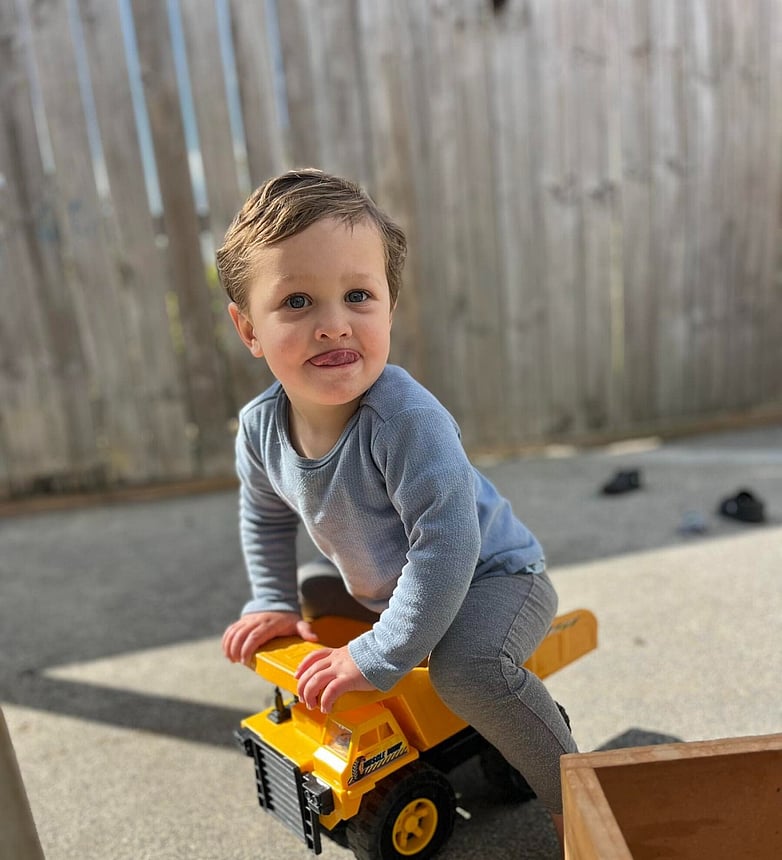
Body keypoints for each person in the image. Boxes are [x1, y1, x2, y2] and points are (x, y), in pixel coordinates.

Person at [217, 168, 576, 848]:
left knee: (467, 671)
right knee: (311, 593)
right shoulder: (261, 429)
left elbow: (447, 548)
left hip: (494, 577)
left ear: (389, 308)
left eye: (358, 295)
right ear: (249, 329)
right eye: (297, 301)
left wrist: (378, 654)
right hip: (397, 584)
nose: (333, 325)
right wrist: (270, 598)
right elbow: (265, 516)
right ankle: (383, 653)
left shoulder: (407, 421)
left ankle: (574, 795)